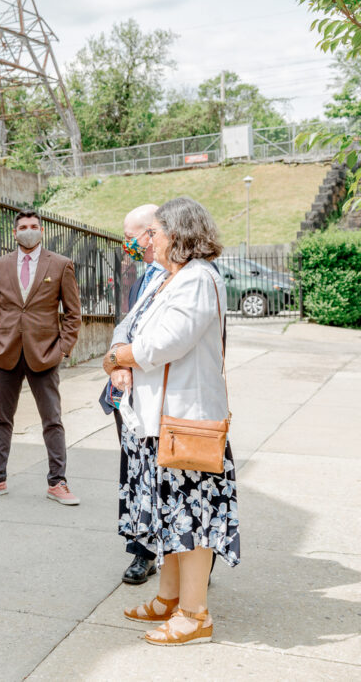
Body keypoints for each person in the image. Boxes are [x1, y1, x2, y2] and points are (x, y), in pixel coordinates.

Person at [102, 196, 239, 646]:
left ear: (178, 235)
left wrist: (119, 356)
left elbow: (165, 343)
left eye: (156, 231)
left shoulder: (197, 278)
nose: (149, 239)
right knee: (166, 515)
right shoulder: (170, 279)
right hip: (158, 421)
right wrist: (122, 352)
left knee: (190, 521)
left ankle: (195, 614)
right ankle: (169, 597)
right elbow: (133, 326)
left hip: (186, 422)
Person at [0, 209, 82, 505]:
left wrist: (62, 349)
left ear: (41, 230)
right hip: (5, 352)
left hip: (44, 354)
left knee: (52, 420)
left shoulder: (60, 264)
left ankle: (58, 483)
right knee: (1, 418)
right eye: (23, 227)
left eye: (34, 226)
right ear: (14, 232)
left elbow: (73, 314)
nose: (28, 230)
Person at [98, 204, 163, 586]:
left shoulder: (184, 276)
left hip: (164, 394)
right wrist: (119, 363)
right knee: (136, 474)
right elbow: (125, 324)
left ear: (152, 232)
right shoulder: (142, 276)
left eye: (131, 234)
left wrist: (123, 357)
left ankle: (191, 561)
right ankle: (143, 550)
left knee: (170, 475)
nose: (128, 243)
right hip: (131, 393)